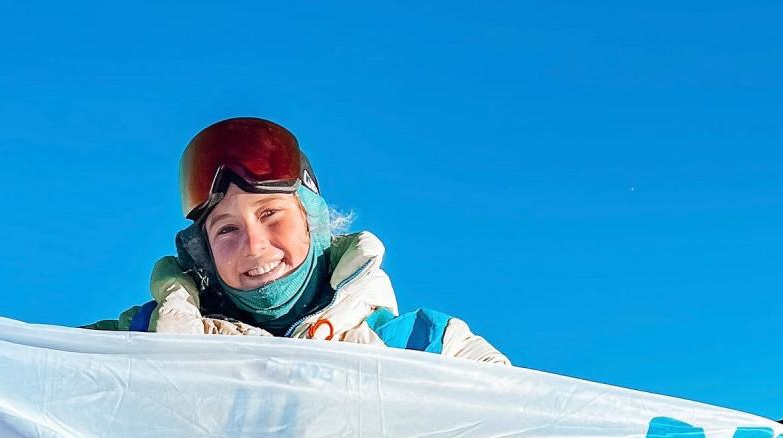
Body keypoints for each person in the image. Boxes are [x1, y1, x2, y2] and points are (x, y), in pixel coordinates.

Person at [87, 118, 509, 365]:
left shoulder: (426, 347)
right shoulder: (143, 342)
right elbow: (30, 397)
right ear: (205, 254)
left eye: (270, 214)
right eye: (226, 230)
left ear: (314, 222)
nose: (253, 245)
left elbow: (531, 433)